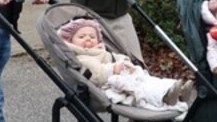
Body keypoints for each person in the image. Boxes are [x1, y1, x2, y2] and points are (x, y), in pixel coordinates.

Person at [58, 17, 192, 110]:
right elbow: (96, 74)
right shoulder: (82, 58)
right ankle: (165, 96)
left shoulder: (102, 52)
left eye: (92, 36)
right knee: (142, 88)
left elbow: (116, 57)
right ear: (70, 40)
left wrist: (125, 61)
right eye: (82, 37)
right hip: (107, 86)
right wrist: (113, 69)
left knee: (147, 79)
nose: (88, 39)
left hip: (124, 76)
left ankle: (177, 91)